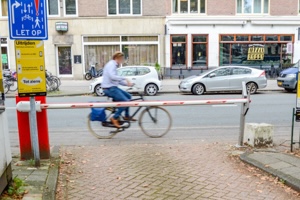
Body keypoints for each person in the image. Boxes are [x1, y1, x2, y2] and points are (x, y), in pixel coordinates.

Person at [102, 52, 136, 128]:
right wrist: (124, 78)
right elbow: (112, 77)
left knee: (129, 96)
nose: (122, 61)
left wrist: (128, 84)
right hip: (109, 88)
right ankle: (114, 118)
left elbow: (117, 80)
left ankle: (126, 116)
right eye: (121, 59)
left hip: (113, 87)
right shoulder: (112, 65)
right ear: (117, 58)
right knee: (126, 102)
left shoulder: (114, 65)